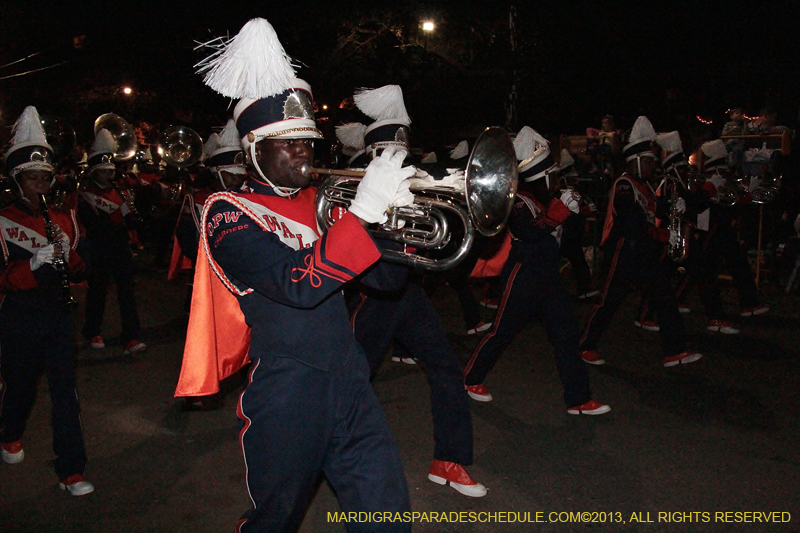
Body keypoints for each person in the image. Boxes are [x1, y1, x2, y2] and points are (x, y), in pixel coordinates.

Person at [175, 19, 411, 532]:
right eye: (288, 142)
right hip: (287, 389)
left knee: (387, 517)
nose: (304, 151)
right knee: (275, 520)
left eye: (307, 140)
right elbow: (296, 285)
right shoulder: (227, 211)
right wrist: (364, 216)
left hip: (349, 377)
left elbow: (387, 287)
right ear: (253, 149)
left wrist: (393, 223)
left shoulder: (323, 204)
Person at [345, 85, 486, 497]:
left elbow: (437, 242)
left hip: (408, 293)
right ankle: (309, 457)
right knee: (348, 385)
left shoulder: (412, 184)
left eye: (403, 152)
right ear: (375, 154)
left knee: (445, 367)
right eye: (392, 152)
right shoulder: (354, 192)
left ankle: (449, 458)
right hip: (370, 297)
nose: (401, 160)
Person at [463, 126, 609, 416]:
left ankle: (578, 398)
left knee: (566, 335)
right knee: (501, 332)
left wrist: (574, 213)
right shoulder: (518, 201)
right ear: (541, 174)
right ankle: (468, 379)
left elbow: (560, 239)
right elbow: (530, 233)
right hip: (524, 275)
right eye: (551, 173)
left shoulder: (545, 199)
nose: (556, 177)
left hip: (548, 277)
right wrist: (559, 213)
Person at [0, 106, 94, 496]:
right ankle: (9, 433)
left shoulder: (65, 219)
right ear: (18, 180)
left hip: (56, 314)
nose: (40, 184)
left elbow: (80, 271)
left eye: (44, 177)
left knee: (64, 392)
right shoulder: (2, 219)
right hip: (19, 315)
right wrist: (34, 264)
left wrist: (65, 254)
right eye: (32, 178)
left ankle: (71, 470)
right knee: (20, 385)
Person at [579, 116, 702, 368]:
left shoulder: (643, 184)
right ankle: (583, 346)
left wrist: (677, 206)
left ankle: (674, 350)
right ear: (635, 161)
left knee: (665, 296)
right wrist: (665, 236)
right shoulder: (625, 185)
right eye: (648, 161)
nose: (652, 166)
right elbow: (632, 224)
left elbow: (656, 210)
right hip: (623, 250)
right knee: (608, 302)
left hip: (641, 251)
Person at [77, 127, 147, 355]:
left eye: (110, 171)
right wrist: (118, 215)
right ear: (94, 173)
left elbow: (128, 223)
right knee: (98, 291)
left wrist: (133, 218)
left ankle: (132, 335)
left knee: (127, 292)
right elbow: (94, 226)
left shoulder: (120, 191)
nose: (109, 176)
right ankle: (92, 331)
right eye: (104, 172)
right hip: (98, 249)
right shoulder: (85, 196)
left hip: (120, 248)